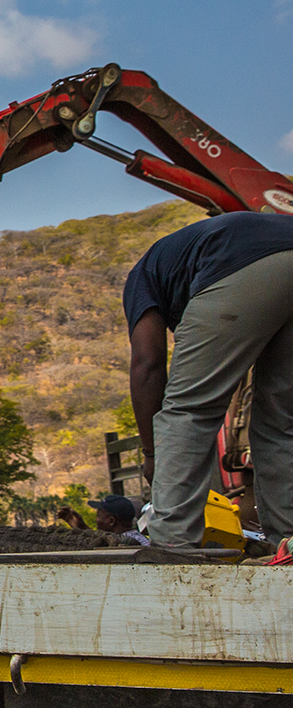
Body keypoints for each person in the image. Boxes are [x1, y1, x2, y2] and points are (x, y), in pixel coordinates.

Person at [122, 210, 293, 553]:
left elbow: (148, 364)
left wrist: (152, 453)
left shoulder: (142, 277)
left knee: (188, 409)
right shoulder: (182, 259)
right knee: (281, 422)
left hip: (243, 260)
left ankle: (172, 541)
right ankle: (287, 541)